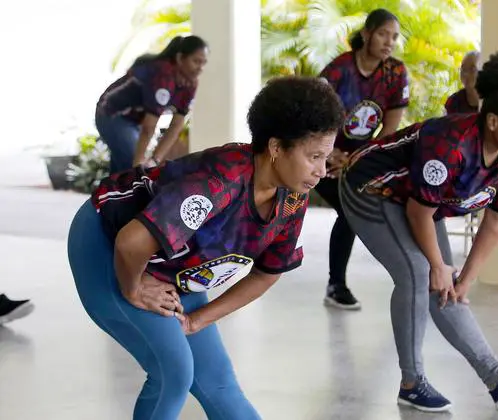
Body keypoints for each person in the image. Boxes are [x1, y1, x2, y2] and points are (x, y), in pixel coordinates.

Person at [67, 77, 345, 420]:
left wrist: (197, 320)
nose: (322, 170)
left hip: (177, 269)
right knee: (174, 372)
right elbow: (132, 241)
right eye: (314, 156)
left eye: (326, 157)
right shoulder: (222, 180)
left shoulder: (291, 200)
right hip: (106, 243)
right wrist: (135, 289)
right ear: (276, 148)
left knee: (220, 385)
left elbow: (266, 273)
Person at [339, 53, 498, 412]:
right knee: (419, 273)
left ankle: (497, 379)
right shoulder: (451, 142)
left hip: (418, 200)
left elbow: (496, 222)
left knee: (446, 286)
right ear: (494, 121)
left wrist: (465, 278)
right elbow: (419, 211)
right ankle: (411, 382)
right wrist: (437, 265)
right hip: (370, 188)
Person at [317, 8, 410, 310]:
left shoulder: (395, 73)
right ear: (367, 33)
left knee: (353, 211)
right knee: (348, 210)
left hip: (360, 159)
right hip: (323, 155)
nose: (389, 42)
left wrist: (361, 159)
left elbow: (391, 130)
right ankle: (335, 285)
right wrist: (330, 153)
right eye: (383, 34)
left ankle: (337, 284)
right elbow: (313, 117)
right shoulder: (339, 70)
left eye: (394, 37)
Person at [96, 35, 209, 174]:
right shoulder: (163, 75)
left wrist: (155, 160)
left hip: (134, 120)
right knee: (131, 174)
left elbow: (176, 125)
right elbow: (148, 127)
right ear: (180, 58)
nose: (200, 68)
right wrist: (138, 168)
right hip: (111, 114)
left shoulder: (191, 83)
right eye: (196, 61)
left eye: (204, 63)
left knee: (121, 177)